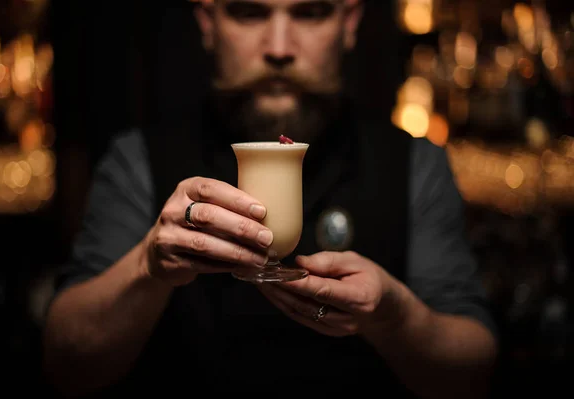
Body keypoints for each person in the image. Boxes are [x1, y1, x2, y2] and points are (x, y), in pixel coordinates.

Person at [42, 0, 498, 397]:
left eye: (311, 13)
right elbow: (66, 365)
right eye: (248, 12)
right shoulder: (138, 160)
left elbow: (475, 376)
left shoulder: (413, 164)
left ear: (350, 20)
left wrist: (396, 317)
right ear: (207, 20)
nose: (279, 47)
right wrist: (148, 266)